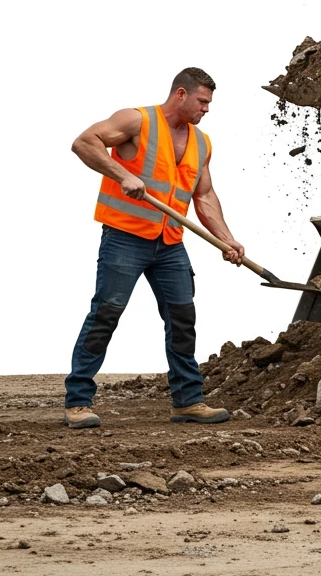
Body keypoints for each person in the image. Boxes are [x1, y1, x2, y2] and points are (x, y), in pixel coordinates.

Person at [64, 67, 246, 428]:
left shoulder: (201, 142)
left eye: (209, 103)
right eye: (202, 101)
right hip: (126, 237)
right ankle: (78, 402)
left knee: (182, 319)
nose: (206, 109)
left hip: (170, 244)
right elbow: (84, 142)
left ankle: (188, 401)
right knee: (106, 314)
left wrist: (227, 239)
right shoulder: (136, 120)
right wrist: (122, 174)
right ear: (181, 94)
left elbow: (204, 195)